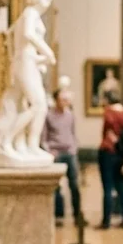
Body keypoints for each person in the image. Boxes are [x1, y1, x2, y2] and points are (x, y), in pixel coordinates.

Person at [41, 88, 84, 227]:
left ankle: (77, 215)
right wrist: (49, 151)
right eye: (62, 99)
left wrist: (74, 148)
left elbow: (73, 133)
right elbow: (44, 136)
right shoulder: (48, 115)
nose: (65, 102)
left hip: (69, 152)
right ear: (56, 100)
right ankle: (59, 215)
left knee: (74, 184)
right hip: (56, 152)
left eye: (66, 100)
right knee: (57, 187)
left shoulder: (70, 115)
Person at [98, 90, 123, 229]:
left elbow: (106, 130)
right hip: (121, 152)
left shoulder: (108, 112)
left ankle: (106, 220)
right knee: (120, 185)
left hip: (108, 150)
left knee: (107, 187)